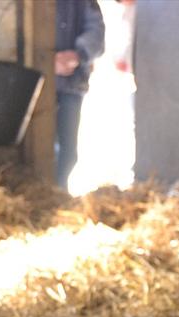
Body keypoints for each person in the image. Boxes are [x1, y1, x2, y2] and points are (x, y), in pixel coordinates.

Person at [55, 0, 105, 189]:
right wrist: (44, 59)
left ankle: (58, 193)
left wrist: (77, 55)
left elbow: (96, 30)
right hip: (36, 82)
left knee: (68, 150)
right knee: (42, 148)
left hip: (70, 83)